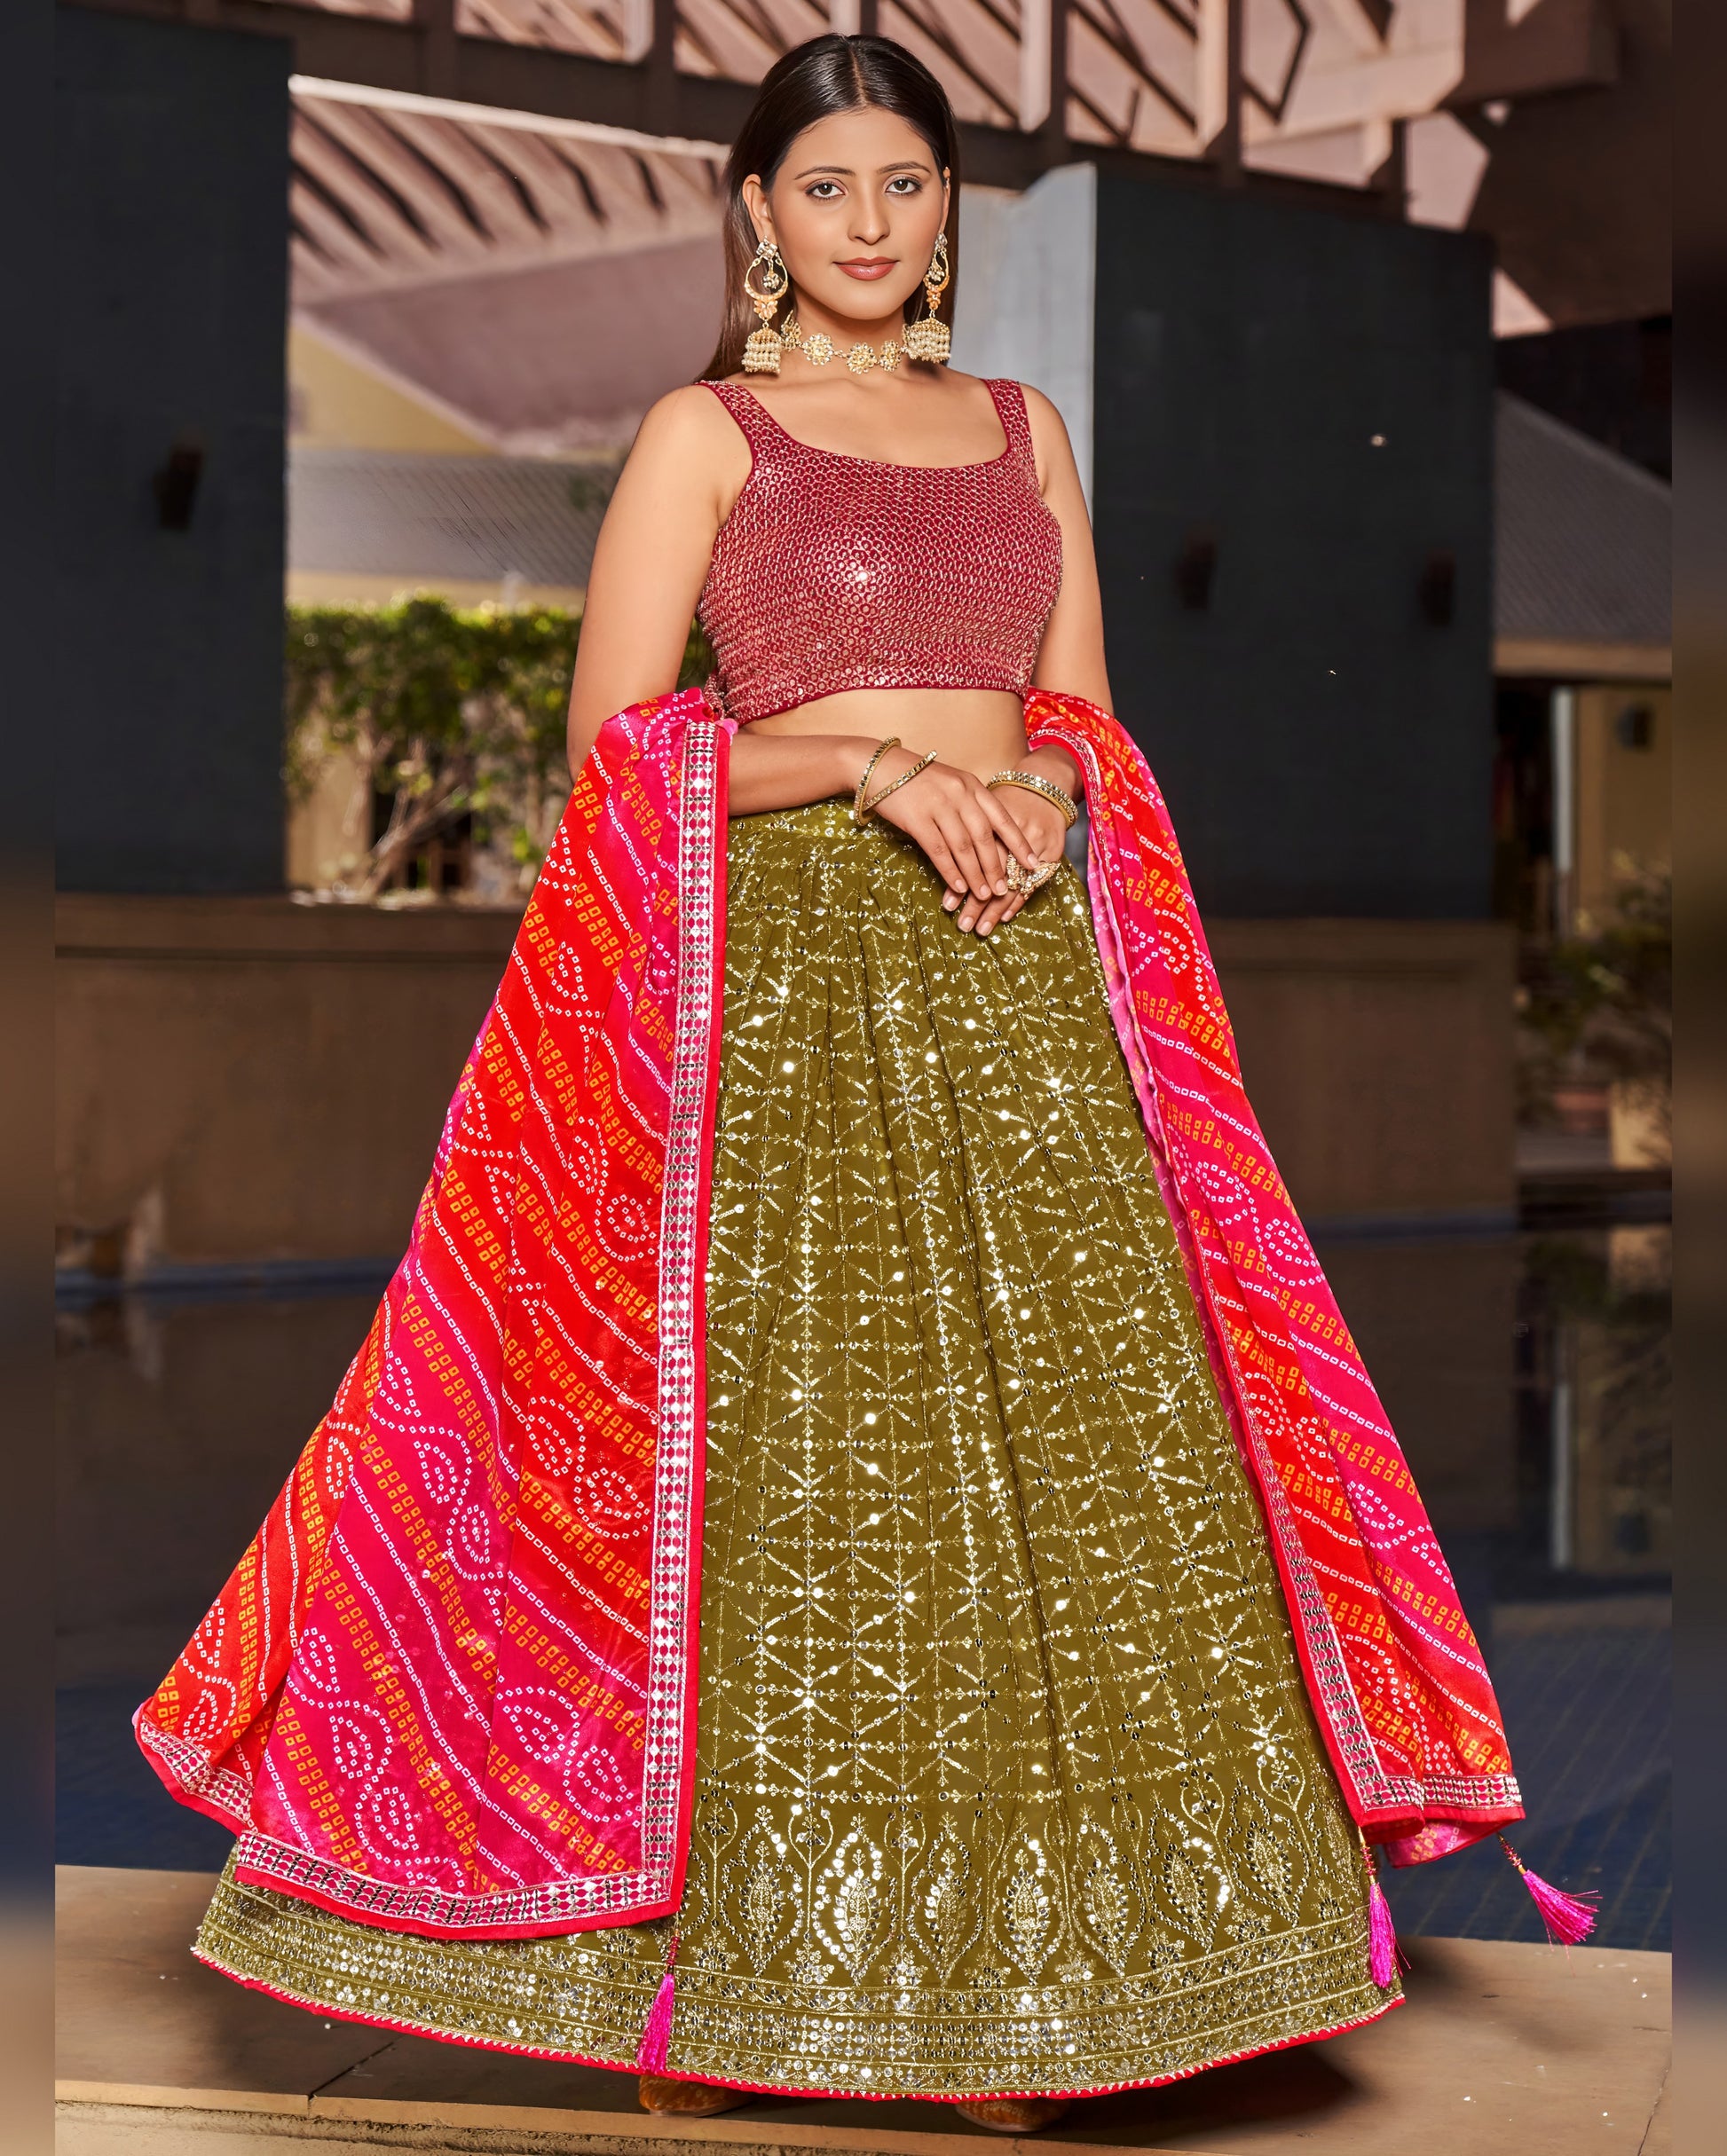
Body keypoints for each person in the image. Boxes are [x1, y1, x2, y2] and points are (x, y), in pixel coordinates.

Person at [139, 33, 1574, 2135]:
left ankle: (1019, 1991)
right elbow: (614, 754)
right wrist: (880, 767)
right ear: (758, 216)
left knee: (1067, 1482)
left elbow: (1088, 720)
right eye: (831, 188)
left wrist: (1035, 805)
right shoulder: (703, 435)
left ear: (943, 210)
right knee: (788, 1489)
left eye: (908, 184)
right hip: (784, 1000)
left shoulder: (1023, 432)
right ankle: (711, 1994)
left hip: (1017, 985)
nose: (874, 225)